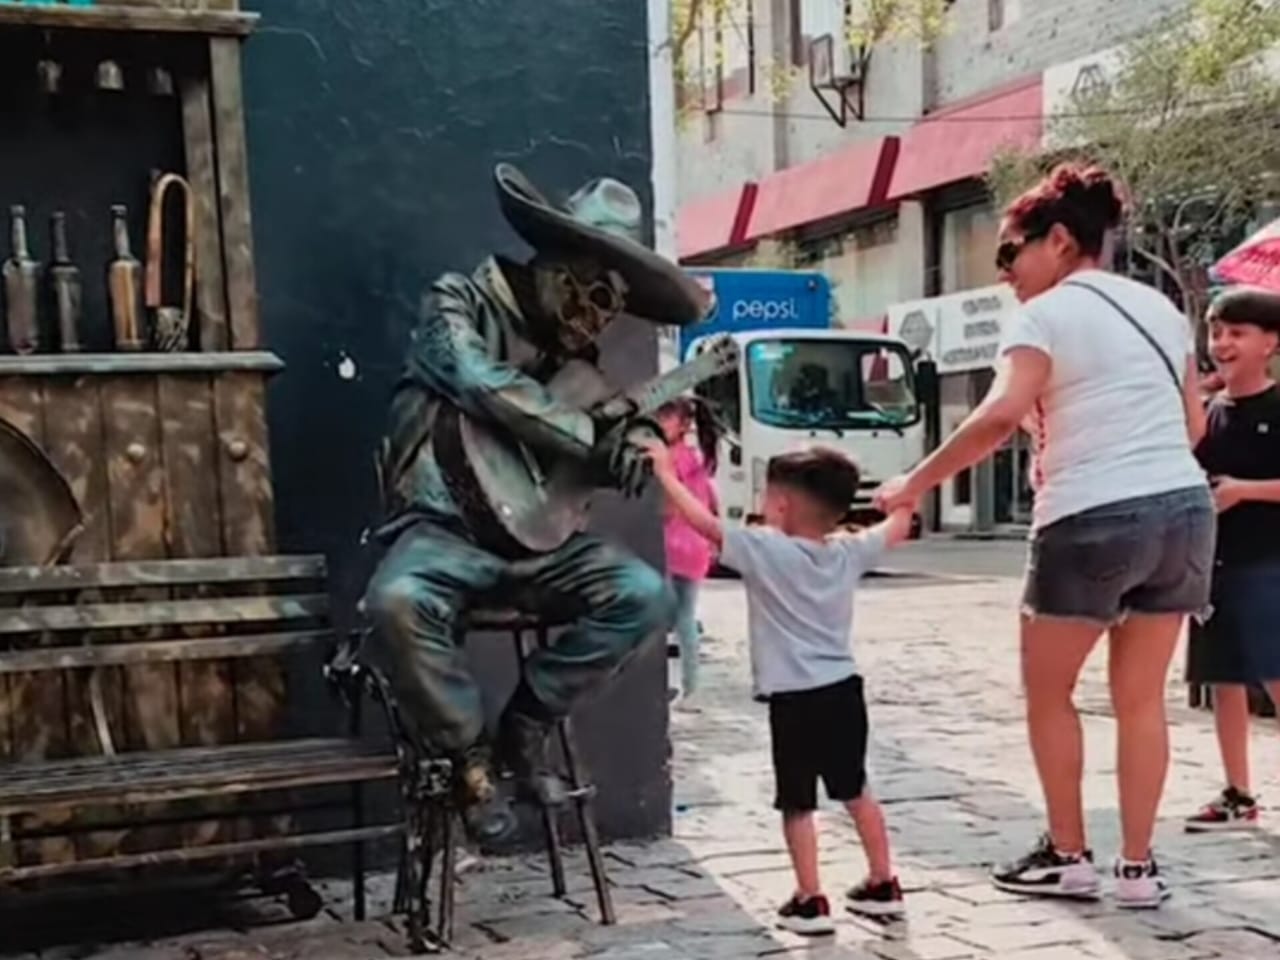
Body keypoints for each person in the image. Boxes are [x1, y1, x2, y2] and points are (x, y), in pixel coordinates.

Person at [875, 163, 1213, 909]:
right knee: (1141, 699)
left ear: (1059, 241)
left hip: (1090, 512)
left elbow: (998, 416)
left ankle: (1068, 854)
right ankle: (1137, 869)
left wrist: (913, 485)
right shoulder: (1160, 310)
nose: (1005, 275)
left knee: (1049, 692)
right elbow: (1193, 425)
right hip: (1184, 512)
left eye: (1010, 254)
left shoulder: (1045, 315)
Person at [364, 164, 709, 844]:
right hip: (445, 530)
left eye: (610, 304)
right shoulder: (456, 303)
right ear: (551, 264)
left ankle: (526, 725)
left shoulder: (578, 367)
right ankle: (470, 761)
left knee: (644, 596)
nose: (594, 318)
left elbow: (622, 419)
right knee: (396, 603)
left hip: (541, 545)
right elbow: (480, 380)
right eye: (587, 290)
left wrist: (631, 447)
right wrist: (588, 437)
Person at [646, 440, 914, 933]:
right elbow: (896, 527)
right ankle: (883, 883)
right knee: (856, 789)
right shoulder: (849, 551)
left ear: (783, 505)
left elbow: (702, 522)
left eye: (768, 497)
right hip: (843, 690)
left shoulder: (764, 548)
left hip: (794, 699)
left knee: (797, 801)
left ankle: (810, 899)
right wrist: (903, 495)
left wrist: (665, 473)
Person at [1185, 287, 1280, 831]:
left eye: (1237, 332)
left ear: (1270, 342)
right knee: (1222, 678)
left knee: (1273, 670)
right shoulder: (1206, 412)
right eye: (1217, 331)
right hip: (1211, 562)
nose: (1222, 342)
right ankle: (1237, 792)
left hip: (1267, 558)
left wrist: (1245, 490)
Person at [655, 398, 719, 708]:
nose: (659, 422)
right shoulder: (696, 456)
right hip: (697, 546)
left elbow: (667, 509)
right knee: (684, 619)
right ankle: (692, 687)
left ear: (683, 425)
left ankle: (673, 686)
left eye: (666, 416)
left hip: (672, 546)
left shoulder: (667, 459)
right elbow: (711, 498)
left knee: (666, 617)